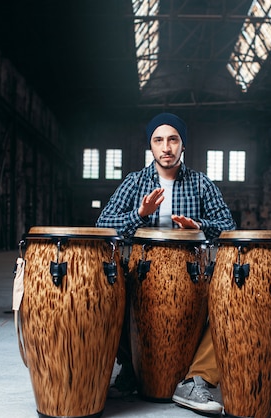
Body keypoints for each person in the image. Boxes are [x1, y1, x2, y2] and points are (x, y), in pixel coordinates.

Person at [96, 112, 236, 415]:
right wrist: (139, 214)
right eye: (158, 140)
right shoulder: (134, 182)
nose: (166, 147)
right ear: (151, 147)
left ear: (183, 145)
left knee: (230, 310)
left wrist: (199, 226)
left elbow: (228, 225)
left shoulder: (200, 183)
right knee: (104, 301)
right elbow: (103, 223)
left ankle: (196, 379)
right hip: (140, 272)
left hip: (192, 274)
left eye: (173, 139)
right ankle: (133, 367)